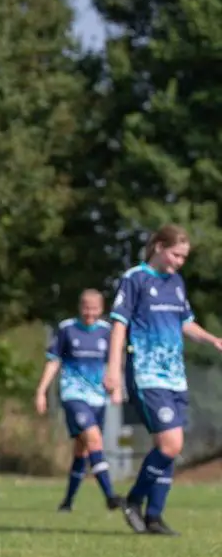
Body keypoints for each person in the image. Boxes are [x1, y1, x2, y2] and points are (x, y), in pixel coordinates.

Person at [105, 224, 222, 535]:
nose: (179, 262)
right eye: (176, 254)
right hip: (147, 374)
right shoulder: (135, 279)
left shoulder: (176, 282)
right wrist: (113, 369)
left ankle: (154, 517)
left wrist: (213, 340)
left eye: (184, 257)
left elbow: (186, 323)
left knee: (167, 447)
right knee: (171, 444)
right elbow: (118, 326)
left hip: (175, 376)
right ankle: (134, 501)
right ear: (158, 247)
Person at [34, 289, 123, 512]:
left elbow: (113, 363)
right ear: (79, 307)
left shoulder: (106, 331)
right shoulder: (67, 329)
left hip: (98, 398)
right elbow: (53, 361)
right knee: (94, 440)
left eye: (94, 309)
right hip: (74, 395)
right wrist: (41, 390)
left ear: (101, 309)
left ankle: (67, 502)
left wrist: (116, 387)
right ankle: (110, 496)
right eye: (86, 308)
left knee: (82, 450)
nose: (89, 314)